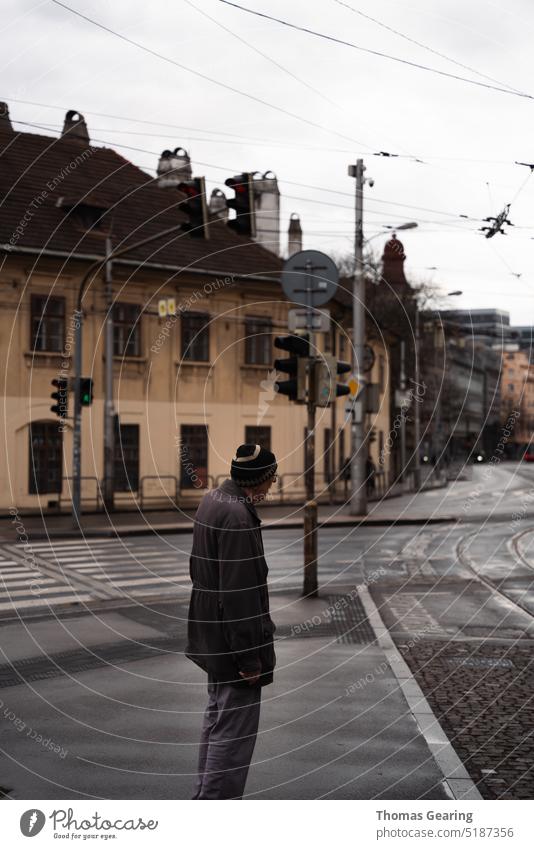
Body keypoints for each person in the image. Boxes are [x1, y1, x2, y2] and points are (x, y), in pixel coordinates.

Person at [186, 443, 278, 800]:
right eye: (271, 480)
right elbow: (241, 596)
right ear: (261, 481)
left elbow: (198, 570)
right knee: (233, 734)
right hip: (233, 643)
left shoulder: (212, 500)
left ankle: (204, 799)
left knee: (217, 721)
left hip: (212, 633)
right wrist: (249, 658)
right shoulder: (239, 516)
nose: (272, 488)